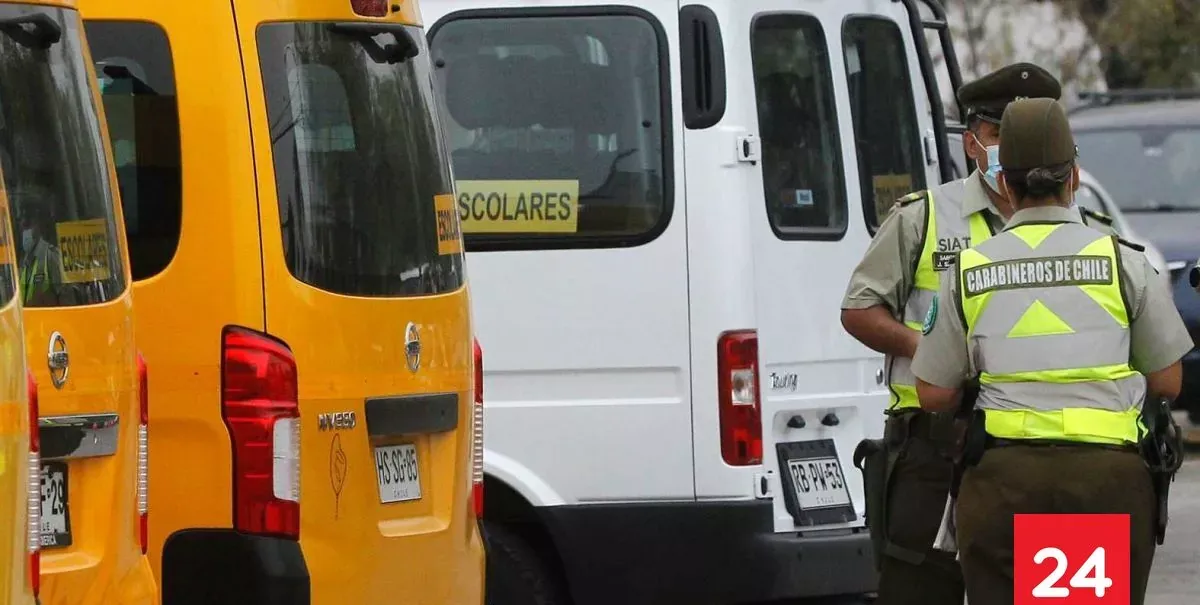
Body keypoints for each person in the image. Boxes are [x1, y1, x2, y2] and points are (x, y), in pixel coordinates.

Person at [912, 97, 1193, 605]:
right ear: (1075, 178)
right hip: (1103, 485)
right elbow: (1169, 380)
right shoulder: (1121, 263)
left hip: (1002, 486)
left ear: (1004, 183)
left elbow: (931, 393)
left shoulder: (969, 271)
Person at [841, 62, 1065, 605]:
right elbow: (859, 309)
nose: (1015, 150)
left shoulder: (1085, 229)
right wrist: (930, 350)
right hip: (935, 444)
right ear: (973, 144)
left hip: (1051, 450)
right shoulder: (925, 217)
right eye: (999, 135)